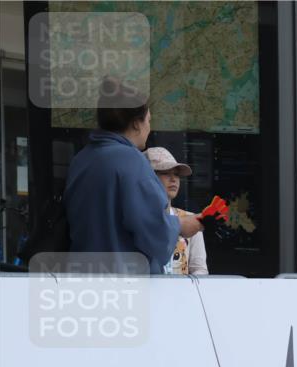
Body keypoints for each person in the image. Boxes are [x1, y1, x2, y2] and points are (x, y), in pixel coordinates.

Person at [64, 77, 202, 273]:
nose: (149, 128)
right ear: (137, 123)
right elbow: (154, 233)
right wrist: (180, 225)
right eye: (148, 121)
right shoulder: (132, 161)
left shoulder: (81, 160)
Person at [144, 147, 207, 275]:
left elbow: (199, 270)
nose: (173, 179)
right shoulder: (136, 221)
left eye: (176, 174)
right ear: (147, 176)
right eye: (165, 173)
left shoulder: (191, 220)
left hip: (182, 294)